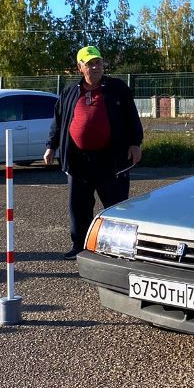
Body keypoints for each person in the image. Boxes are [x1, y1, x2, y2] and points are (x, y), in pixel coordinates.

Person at [44, 46, 143, 259]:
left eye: (98, 62)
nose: (96, 66)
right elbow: (58, 121)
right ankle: (80, 245)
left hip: (111, 159)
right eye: (90, 63)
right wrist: (51, 146)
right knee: (79, 207)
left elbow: (132, 118)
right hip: (78, 160)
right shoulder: (70, 92)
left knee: (116, 207)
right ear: (80, 67)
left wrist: (135, 143)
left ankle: (118, 248)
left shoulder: (117, 88)